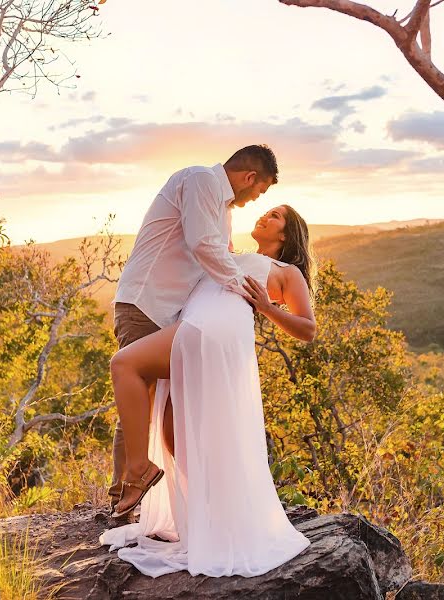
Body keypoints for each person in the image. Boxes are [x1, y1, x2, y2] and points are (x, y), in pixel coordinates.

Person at [100, 205, 316, 577]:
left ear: (287, 234)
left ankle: (138, 470)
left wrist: (266, 307)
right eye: (266, 211)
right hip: (192, 325)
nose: (265, 216)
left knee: (125, 364)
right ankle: (211, 520)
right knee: (173, 433)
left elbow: (307, 329)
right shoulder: (230, 255)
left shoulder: (287, 272)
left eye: (276, 216)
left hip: (213, 333)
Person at [108, 145, 278, 516]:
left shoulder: (220, 209)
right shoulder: (201, 180)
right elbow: (204, 246)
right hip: (147, 302)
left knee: (166, 402)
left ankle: (192, 495)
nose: (254, 200)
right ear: (250, 178)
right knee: (141, 393)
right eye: (259, 191)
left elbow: (219, 252)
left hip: (171, 311)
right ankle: (125, 497)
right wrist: (243, 288)